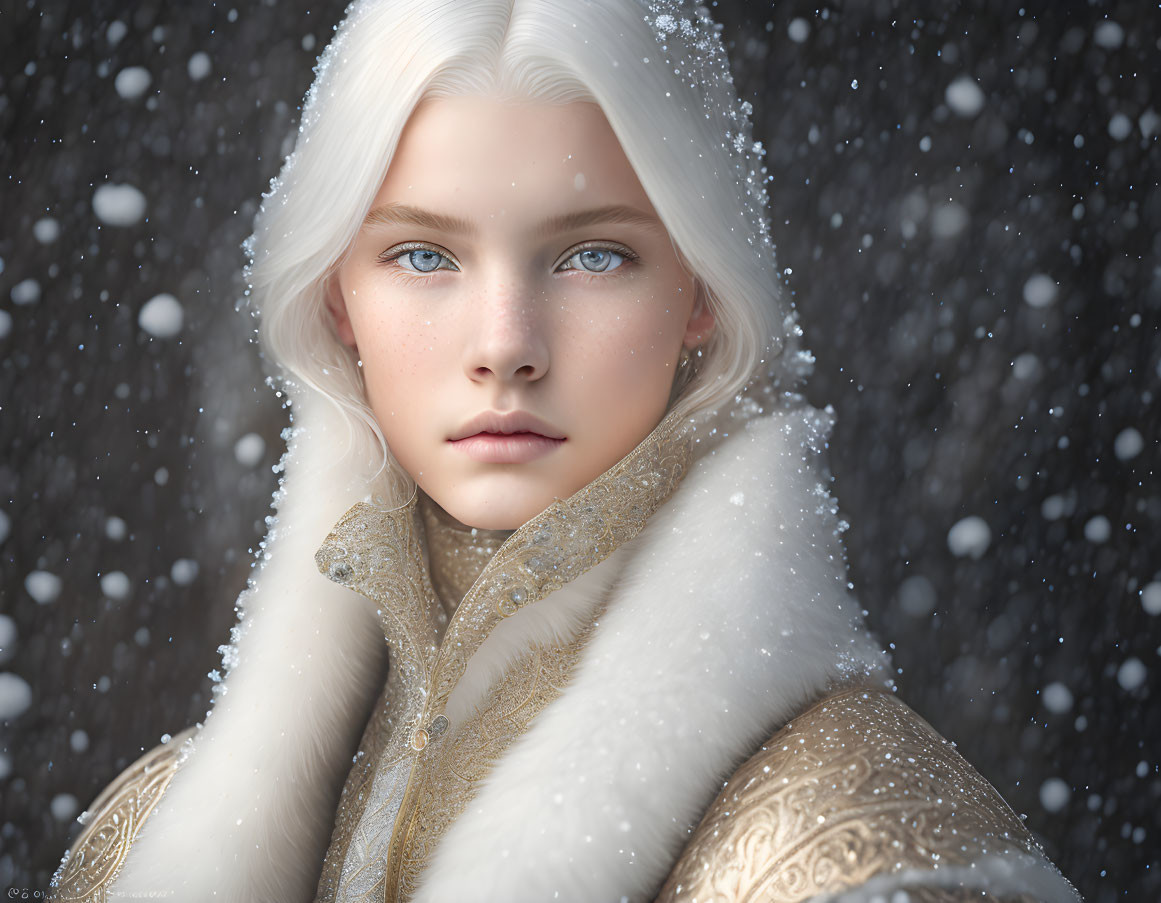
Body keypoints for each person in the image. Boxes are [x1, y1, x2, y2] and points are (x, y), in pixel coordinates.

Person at [49, 1, 1082, 901]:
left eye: (595, 255)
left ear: (703, 301)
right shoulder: (144, 839)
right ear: (337, 302)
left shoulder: (879, 847)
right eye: (424, 254)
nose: (505, 344)